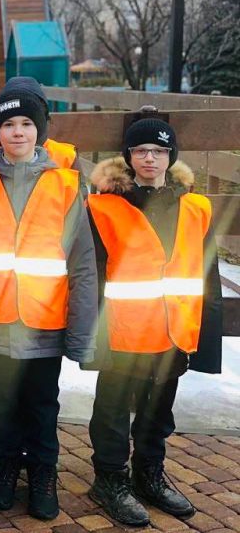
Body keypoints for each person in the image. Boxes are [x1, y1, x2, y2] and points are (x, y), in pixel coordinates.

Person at [0, 82, 97, 521]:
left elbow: (83, 264)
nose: (17, 132)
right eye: (8, 124)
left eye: (27, 124)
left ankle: (42, 474)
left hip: (43, 324)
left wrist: (80, 330)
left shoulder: (66, 185)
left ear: (41, 131)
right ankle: (3, 467)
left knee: (40, 404)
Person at [85, 117, 222, 527]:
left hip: (172, 329)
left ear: (171, 157)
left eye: (159, 151)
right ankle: (110, 479)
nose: (150, 158)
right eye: (141, 150)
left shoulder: (194, 207)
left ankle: (149, 473)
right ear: (127, 156)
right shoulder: (104, 206)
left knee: (158, 410)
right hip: (122, 330)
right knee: (111, 409)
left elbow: (205, 274)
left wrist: (204, 334)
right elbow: (92, 274)